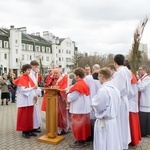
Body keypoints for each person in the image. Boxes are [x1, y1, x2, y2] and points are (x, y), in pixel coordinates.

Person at [91, 68, 121, 150]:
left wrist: (93, 105)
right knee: (112, 144)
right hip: (113, 122)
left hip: (104, 123)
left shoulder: (103, 90)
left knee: (103, 144)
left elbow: (98, 106)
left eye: (99, 76)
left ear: (103, 77)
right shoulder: (116, 89)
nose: (98, 79)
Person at [67, 67, 91, 148]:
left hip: (78, 109)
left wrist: (67, 94)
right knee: (83, 126)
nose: (74, 77)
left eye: (74, 75)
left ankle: (80, 141)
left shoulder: (78, 85)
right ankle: (83, 140)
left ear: (77, 76)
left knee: (78, 126)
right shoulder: (84, 83)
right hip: (84, 108)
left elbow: (73, 97)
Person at [113, 54, 132, 150]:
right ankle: (123, 143)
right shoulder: (125, 71)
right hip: (123, 99)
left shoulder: (120, 73)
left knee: (120, 123)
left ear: (115, 62)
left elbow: (118, 89)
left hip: (120, 100)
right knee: (123, 122)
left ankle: (121, 144)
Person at [13, 64, 38, 138]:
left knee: (29, 116)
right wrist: (33, 88)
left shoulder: (28, 78)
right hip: (23, 101)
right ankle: (24, 131)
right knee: (24, 117)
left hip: (30, 100)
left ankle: (29, 130)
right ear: (24, 70)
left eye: (30, 70)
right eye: (28, 70)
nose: (29, 71)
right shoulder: (21, 78)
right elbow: (23, 90)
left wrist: (34, 95)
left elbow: (32, 88)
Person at [43, 67, 69, 134]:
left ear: (60, 72)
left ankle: (62, 128)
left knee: (61, 115)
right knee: (55, 114)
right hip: (53, 100)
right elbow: (48, 85)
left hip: (61, 99)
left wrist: (59, 89)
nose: (55, 74)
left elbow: (65, 87)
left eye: (56, 73)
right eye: (54, 73)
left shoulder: (64, 78)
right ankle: (55, 129)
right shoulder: (52, 78)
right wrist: (51, 87)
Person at [84, 64, 101, 142]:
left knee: (91, 119)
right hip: (99, 101)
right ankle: (97, 136)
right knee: (97, 119)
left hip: (90, 100)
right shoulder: (102, 78)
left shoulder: (88, 78)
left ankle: (90, 136)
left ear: (93, 69)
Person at [29, 60, 42, 133]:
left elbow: (36, 84)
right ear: (32, 66)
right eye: (36, 66)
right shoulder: (30, 74)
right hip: (32, 94)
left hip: (34, 94)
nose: (37, 68)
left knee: (36, 110)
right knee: (33, 110)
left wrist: (38, 90)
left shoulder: (34, 74)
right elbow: (32, 85)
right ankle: (33, 126)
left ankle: (35, 125)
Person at [138, 65, 150, 137]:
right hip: (143, 100)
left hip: (146, 100)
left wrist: (138, 80)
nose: (139, 71)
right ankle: (143, 131)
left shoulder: (147, 78)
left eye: (140, 69)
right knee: (143, 116)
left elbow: (141, 88)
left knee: (145, 117)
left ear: (144, 70)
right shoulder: (143, 78)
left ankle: (146, 132)